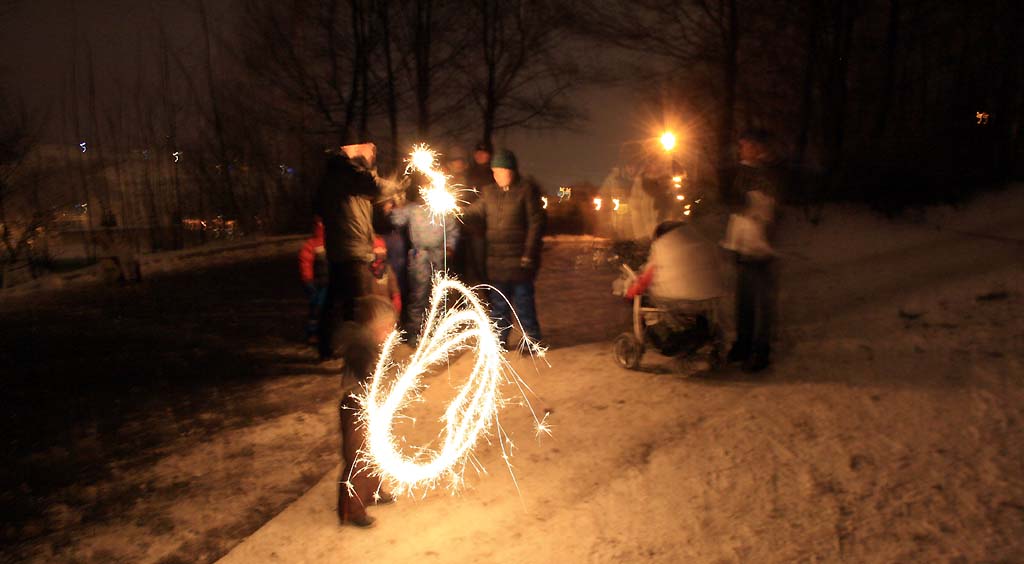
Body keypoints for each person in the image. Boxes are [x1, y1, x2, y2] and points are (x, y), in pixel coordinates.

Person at [463, 149, 546, 348]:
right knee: (499, 305)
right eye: (495, 172)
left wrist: (528, 254)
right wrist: (457, 211)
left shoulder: (525, 191)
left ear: (512, 171)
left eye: (502, 171)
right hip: (496, 261)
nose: (497, 176)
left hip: (520, 261)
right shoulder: (489, 192)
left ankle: (532, 341)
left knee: (523, 303)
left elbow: (536, 224)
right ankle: (499, 341)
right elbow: (475, 211)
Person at [334, 295, 398, 528]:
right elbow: (366, 373)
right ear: (373, 328)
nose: (391, 332)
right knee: (359, 458)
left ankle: (373, 492)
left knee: (374, 452)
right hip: (356, 407)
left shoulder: (373, 345)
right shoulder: (361, 347)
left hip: (371, 405)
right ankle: (352, 510)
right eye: (387, 327)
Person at [722, 129, 783, 372]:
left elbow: (771, 206)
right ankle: (743, 344)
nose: (742, 149)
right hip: (741, 243)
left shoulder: (770, 173)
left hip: (761, 246)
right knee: (744, 299)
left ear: (759, 147)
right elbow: (733, 201)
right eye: (742, 145)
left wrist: (756, 206)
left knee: (762, 302)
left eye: (747, 145)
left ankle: (761, 350)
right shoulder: (740, 171)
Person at [624, 220, 726, 365]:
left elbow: (646, 279)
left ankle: (660, 340)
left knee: (648, 303)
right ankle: (706, 340)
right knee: (696, 317)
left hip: (676, 299)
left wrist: (631, 293)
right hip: (708, 297)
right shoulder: (700, 242)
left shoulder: (663, 247)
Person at [314, 143, 381, 360]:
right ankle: (359, 352)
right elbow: (375, 187)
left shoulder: (335, 176)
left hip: (341, 248)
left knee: (335, 301)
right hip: (352, 249)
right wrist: (369, 164)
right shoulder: (347, 174)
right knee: (358, 303)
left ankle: (328, 347)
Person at [390, 172, 459, 338]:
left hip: (439, 255)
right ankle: (415, 333)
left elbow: (453, 230)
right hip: (419, 256)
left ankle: (437, 332)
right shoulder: (413, 209)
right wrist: (397, 205)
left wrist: (450, 247)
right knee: (418, 294)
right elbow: (397, 221)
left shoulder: (444, 209)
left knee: (439, 294)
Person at [298, 217, 329, 344]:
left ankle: (326, 332)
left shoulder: (333, 241)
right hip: (318, 283)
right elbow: (306, 263)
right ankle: (313, 333)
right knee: (317, 307)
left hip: (331, 281)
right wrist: (308, 279)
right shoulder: (312, 244)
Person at [360, 236, 402, 315]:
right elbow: (363, 296)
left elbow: (396, 294)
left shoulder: (387, 270)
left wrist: (395, 312)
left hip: (386, 310)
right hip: (371, 311)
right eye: (376, 254)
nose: (379, 260)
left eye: (382, 254)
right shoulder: (365, 272)